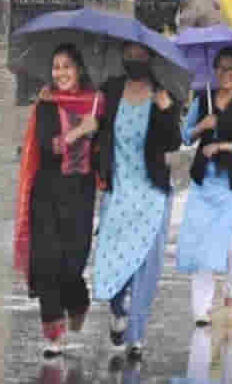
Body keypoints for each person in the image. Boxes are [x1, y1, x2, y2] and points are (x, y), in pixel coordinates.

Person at [91, 42, 181, 360]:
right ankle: (118, 309)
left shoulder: (163, 94)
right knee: (111, 255)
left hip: (151, 192)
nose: (134, 60)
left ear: (151, 58)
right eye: (128, 54)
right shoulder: (110, 90)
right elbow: (96, 127)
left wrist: (167, 111)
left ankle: (137, 334)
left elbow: (173, 142)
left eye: (140, 55)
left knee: (145, 263)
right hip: (118, 188)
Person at [13, 43, 103, 358]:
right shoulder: (46, 104)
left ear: (79, 70)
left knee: (72, 264)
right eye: (56, 67)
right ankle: (53, 334)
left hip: (80, 194)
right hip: (47, 192)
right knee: (47, 263)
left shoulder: (97, 104)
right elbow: (48, 146)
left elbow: (105, 152)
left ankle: (78, 302)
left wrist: (97, 131)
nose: (61, 73)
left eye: (67, 66)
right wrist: (81, 131)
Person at [177, 47, 232, 327]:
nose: (225, 73)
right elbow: (185, 137)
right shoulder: (203, 100)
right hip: (204, 183)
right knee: (202, 247)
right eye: (221, 68)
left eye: (231, 69)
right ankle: (201, 310)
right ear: (214, 71)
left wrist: (223, 146)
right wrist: (202, 126)